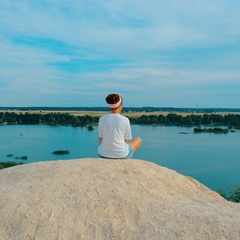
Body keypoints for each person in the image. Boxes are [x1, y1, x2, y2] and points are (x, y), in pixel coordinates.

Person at [98, 93, 142, 159]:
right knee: (138, 139)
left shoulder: (102, 119)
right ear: (120, 105)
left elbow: (101, 139)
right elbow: (125, 141)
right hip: (121, 155)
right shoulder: (125, 120)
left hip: (103, 154)